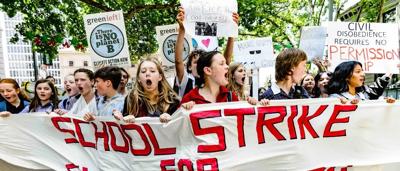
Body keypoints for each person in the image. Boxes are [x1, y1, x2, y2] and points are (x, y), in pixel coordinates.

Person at [174, 7, 239, 97]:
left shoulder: (214, 80)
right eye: (196, 62)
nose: (200, 64)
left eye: (202, 62)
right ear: (189, 67)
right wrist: (182, 30)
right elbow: (178, 61)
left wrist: (231, 31)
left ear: (207, 69)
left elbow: (226, 59)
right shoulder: (186, 81)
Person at [180, 51, 267, 109]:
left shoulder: (230, 96)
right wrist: (167, 117)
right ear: (208, 70)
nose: (227, 67)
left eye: (226, 63)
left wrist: (256, 105)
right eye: (222, 64)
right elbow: (174, 127)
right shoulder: (189, 98)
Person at [114, 57, 180, 123]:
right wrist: (124, 118)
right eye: (143, 71)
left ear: (160, 77)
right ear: (139, 79)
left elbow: (180, 125)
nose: (147, 74)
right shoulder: (131, 99)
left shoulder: (172, 99)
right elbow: (124, 127)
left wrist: (171, 118)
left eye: (152, 71)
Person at [327, 61, 395, 104]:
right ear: (346, 76)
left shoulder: (364, 95)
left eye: (362, 71)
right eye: (358, 72)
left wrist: (386, 103)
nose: (363, 74)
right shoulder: (335, 98)